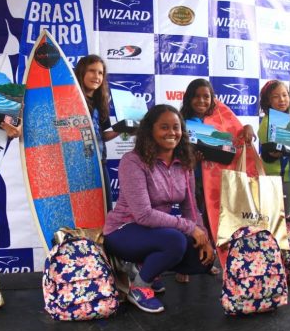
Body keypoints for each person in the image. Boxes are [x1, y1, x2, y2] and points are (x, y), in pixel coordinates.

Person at [103, 104, 214, 313]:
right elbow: (143, 215)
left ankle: (146, 269)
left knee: (203, 260)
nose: (171, 132)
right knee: (175, 240)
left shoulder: (185, 163)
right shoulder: (133, 161)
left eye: (176, 127)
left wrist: (203, 236)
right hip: (123, 230)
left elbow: (190, 209)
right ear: (150, 131)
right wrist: (190, 229)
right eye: (164, 127)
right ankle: (139, 287)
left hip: (154, 232)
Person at [180, 78, 257, 271]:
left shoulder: (221, 118)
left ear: (213, 99)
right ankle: (186, 267)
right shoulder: (180, 121)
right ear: (188, 98)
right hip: (194, 180)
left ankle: (208, 260)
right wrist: (193, 160)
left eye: (206, 97)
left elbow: (236, 137)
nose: (201, 101)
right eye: (196, 96)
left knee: (211, 220)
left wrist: (247, 127)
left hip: (217, 182)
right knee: (193, 221)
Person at [75, 55, 119, 211]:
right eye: (92, 71)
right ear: (81, 73)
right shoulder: (70, 99)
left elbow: (100, 136)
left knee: (104, 211)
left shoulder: (101, 103)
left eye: (100, 73)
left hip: (100, 164)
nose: (97, 76)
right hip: (76, 166)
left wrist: (121, 129)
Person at [257, 80, 290, 215]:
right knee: (276, 220)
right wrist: (274, 153)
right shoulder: (267, 121)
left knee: (286, 218)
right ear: (268, 101)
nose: (282, 100)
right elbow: (269, 154)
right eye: (275, 96)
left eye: (285, 95)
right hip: (275, 178)